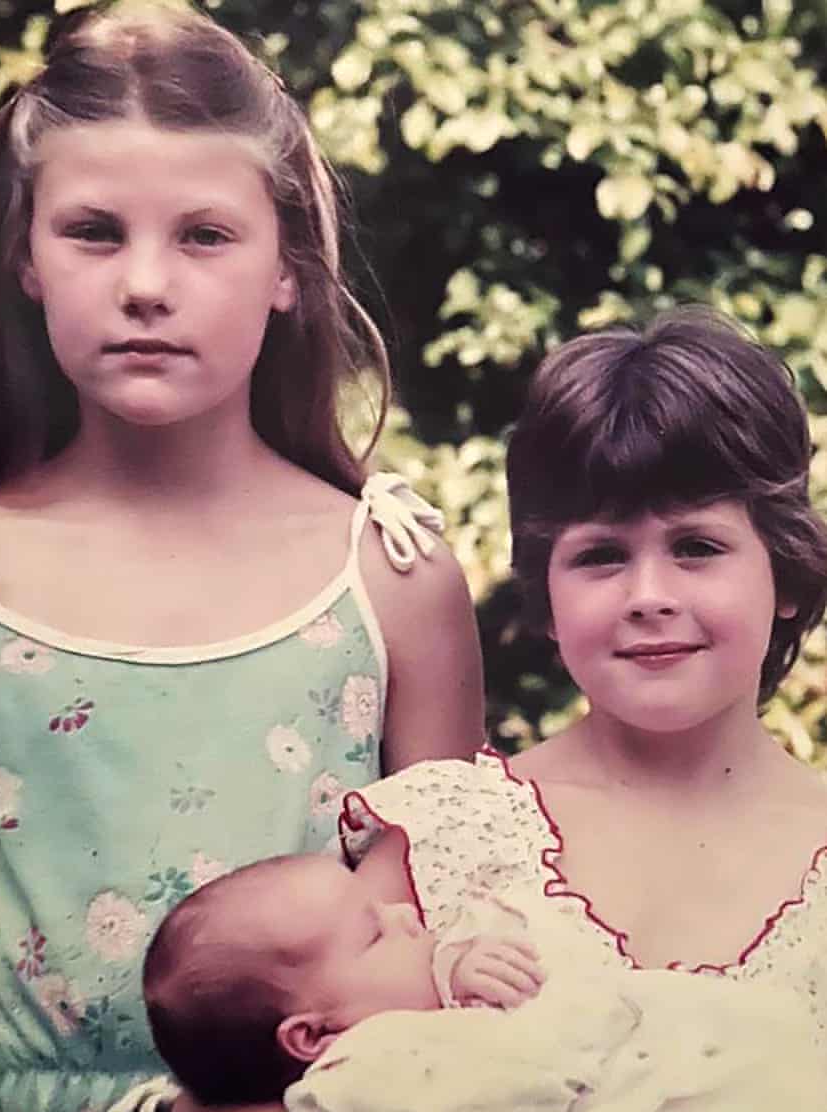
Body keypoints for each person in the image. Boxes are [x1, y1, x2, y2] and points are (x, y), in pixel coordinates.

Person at [0, 5, 484, 1111]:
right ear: (27, 262)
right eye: (93, 230)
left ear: (286, 269)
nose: (146, 282)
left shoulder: (391, 577)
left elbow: (434, 980)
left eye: (203, 234)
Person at [334, 307, 827, 1054]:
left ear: (785, 571)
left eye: (696, 546)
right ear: (548, 596)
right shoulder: (445, 838)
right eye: (601, 555)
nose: (648, 595)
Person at [114, 851, 823, 1112]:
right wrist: (565, 1010)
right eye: (373, 932)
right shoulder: (363, 1073)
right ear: (312, 1037)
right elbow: (532, 1067)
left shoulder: (397, 1021)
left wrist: (458, 975)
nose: (403, 913)